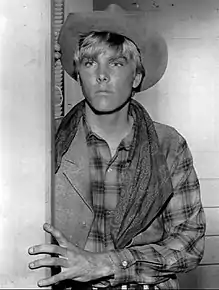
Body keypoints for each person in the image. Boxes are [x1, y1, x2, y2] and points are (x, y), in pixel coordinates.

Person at [28, 4, 206, 290]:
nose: (101, 75)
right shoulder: (45, 141)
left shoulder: (168, 145)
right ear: (78, 74)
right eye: (89, 63)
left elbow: (189, 242)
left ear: (136, 77)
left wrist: (110, 263)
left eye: (116, 63)